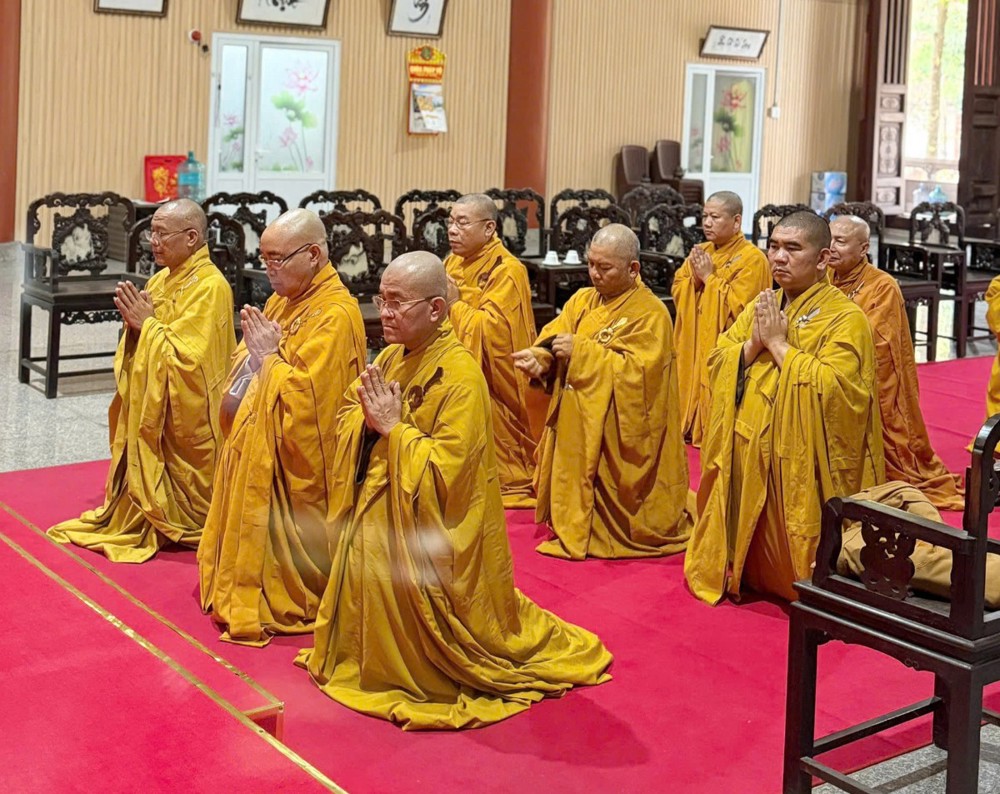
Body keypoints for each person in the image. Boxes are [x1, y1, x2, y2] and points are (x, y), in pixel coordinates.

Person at [296, 251, 612, 730]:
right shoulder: (391, 357)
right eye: (382, 299)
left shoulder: (460, 375)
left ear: (436, 309)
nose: (385, 312)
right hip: (381, 508)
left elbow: (450, 471)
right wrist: (367, 423)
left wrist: (394, 430)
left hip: (425, 532)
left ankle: (413, 662)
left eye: (397, 302)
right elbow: (349, 417)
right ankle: (367, 655)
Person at [684, 211, 884, 604]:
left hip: (797, 460)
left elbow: (839, 392)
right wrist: (753, 345)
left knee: (795, 567)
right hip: (748, 449)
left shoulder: (846, 318)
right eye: (773, 246)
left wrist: (778, 346)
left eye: (793, 248)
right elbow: (718, 359)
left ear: (822, 258)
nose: (778, 257)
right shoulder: (764, 304)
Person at [198, 209, 367, 646]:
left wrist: (269, 360)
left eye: (277, 259)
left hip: (296, 464)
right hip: (256, 435)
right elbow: (248, 356)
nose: (268, 269)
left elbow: (312, 405)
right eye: (264, 258)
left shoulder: (335, 315)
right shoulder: (282, 300)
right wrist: (257, 360)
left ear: (313, 255)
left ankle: (289, 588)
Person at [47, 199, 235, 562]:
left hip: (190, 413)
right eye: (152, 233)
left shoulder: (211, 287)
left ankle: (179, 512)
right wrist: (137, 328)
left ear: (192, 237)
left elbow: (192, 362)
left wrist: (146, 325)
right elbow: (148, 341)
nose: (154, 242)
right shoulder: (161, 279)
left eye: (162, 234)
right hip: (157, 400)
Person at [513, 224, 695, 560]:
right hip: (579, 419)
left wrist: (583, 353)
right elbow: (555, 337)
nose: (594, 273)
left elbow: (641, 379)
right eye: (591, 264)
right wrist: (541, 357)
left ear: (633, 268)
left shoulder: (651, 314)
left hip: (618, 431)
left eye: (605, 267)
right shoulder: (582, 300)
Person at [828, 215, 963, 510]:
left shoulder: (882, 286)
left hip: (866, 376)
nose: (831, 247)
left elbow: (878, 342)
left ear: (863, 248)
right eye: (829, 239)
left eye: (840, 241)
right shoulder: (824, 276)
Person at [443, 193, 543, 507]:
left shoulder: (507, 270)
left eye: (462, 223)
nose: (452, 230)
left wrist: (455, 304)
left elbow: (493, 333)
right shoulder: (452, 262)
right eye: (450, 221)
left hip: (497, 382)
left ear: (489, 229)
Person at [671, 191, 771, 446]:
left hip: (723, 344)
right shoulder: (701, 251)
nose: (707, 223)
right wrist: (694, 281)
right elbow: (679, 287)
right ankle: (688, 422)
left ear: (736, 221)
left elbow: (742, 309)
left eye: (715, 217)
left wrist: (708, 278)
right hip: (694, 341)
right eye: (704, 216)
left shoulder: (752, 259)